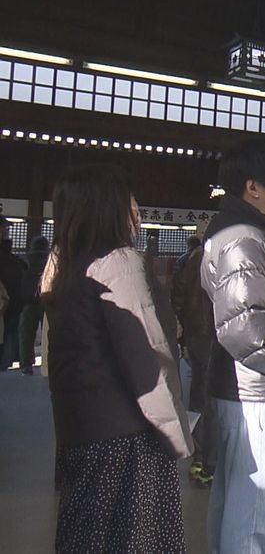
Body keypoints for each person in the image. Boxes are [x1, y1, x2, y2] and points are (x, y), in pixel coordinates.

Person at [41, 164, 192, 552]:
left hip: (81, 432)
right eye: (130, 199)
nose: (137, 208)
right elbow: (147, 359)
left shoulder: (62, 265)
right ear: (107, 205)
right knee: (136, 538)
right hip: (128, 438)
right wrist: (176, 434)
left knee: (87, 535)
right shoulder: (120, 263)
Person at [201, 138, 265, 553]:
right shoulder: (245, 237)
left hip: (240, 388)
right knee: (257, 514)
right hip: (260, 392)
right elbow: (248, 330)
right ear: (252, 187)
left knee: (236, 505)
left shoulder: (238, 231)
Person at [171, 225, 217, 486]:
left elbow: (177, 296)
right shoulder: (213, 257)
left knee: (200, 393)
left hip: (197, 334)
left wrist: (182, 337)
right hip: (211, 334)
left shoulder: (190, 259)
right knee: (209, 397)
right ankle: (205, 457)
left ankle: (199, 454)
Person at [18, 235, 50, 375]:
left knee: (26, 335)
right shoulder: (50, 259)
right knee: (48, 335)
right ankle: (47, 362)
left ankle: (26, 364)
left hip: (28, 302)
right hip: (46, 301)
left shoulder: (25, 259)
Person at [0, 238, 26, 369]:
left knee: (6, 330)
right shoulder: (16, 261)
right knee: (11, 331)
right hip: (16, 299)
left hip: (5, 299)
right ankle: (8, 359)